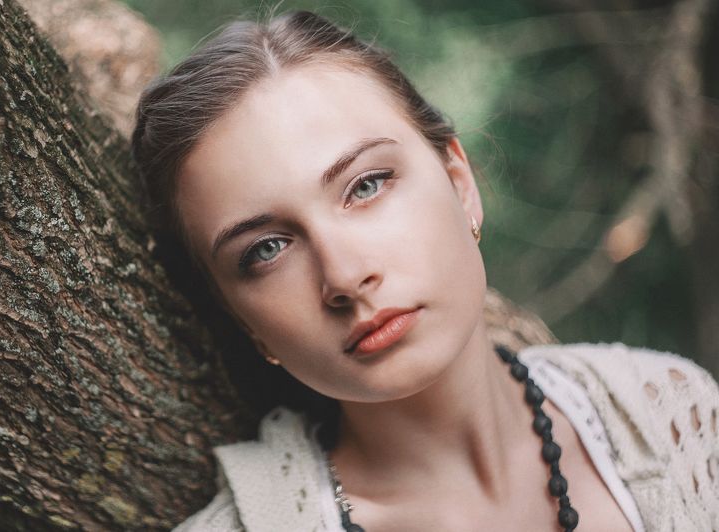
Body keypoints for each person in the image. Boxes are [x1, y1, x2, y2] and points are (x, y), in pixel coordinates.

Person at [131, 10, 719, 532]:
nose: (344, 276)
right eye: (266, 250)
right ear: (243, 318)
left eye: (366, 185)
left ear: (460, 185)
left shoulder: (672, 417)